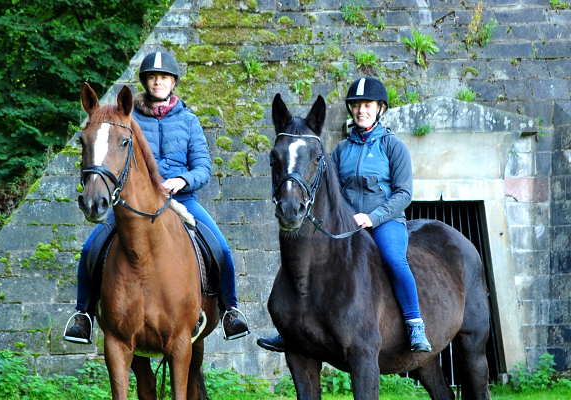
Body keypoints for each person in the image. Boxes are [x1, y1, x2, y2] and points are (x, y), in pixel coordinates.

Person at [64, 51, 250, 344]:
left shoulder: (189, 120)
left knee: (221, 249)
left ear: (173, 81)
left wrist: (182, 179)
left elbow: (203, 166)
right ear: (146, 82)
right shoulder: (127, 118)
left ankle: (230, 311)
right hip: (134, 204)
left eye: (163, 77)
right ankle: (82, 315)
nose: (158, 82)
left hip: (182, 200)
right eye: (153, 77)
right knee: (91, 248)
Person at [257, 77, 431, 353]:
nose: (362, 111)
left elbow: (403, 194)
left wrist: (372, 218)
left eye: (368, 105)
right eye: (357, 106)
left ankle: (414, 322)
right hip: (347, 223)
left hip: (384, 222)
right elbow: (329, 192)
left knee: (393, 259)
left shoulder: (392, 147)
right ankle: (291, 328)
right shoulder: (340, 151)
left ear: (380, 109)